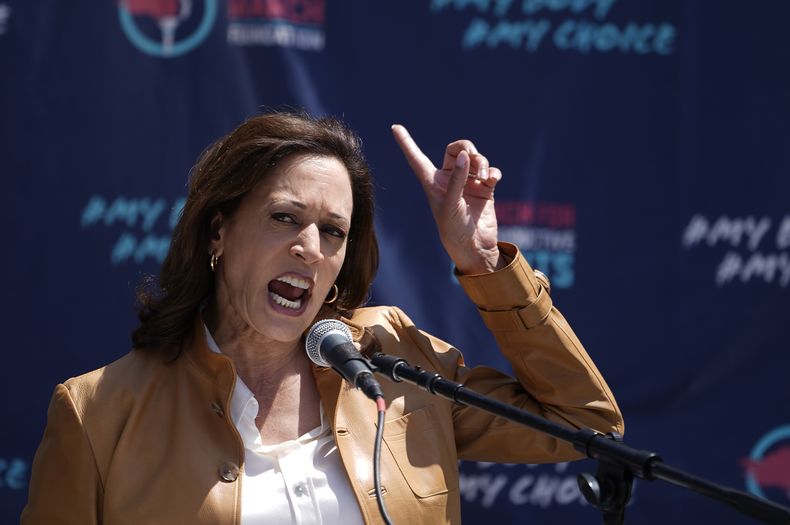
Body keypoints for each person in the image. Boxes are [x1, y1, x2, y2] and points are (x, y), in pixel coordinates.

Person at [21, 112, 623, 524]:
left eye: (333, 231)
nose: (311, 246)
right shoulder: (97, 413)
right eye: (285, 217)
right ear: (218, 230)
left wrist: (484, 263)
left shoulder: (394, 360)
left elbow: (583, 420)